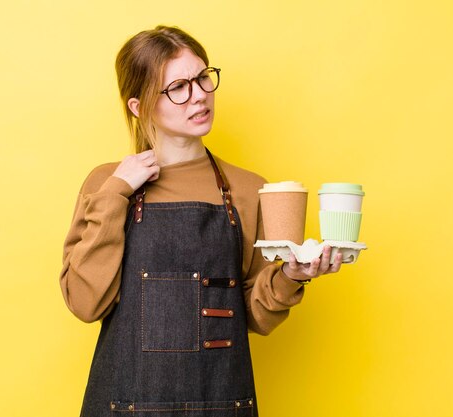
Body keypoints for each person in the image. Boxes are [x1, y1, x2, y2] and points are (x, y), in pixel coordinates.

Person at [59, 25, 342, 417]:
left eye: (203, 78)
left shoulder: (249, 188)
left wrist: (292, 275)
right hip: (122, 405)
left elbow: (254, 316)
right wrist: (116, 192)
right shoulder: (106, 184)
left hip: (223, 404)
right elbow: (85, 303)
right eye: (178, 87)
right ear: (138, 106)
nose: (199, 96)